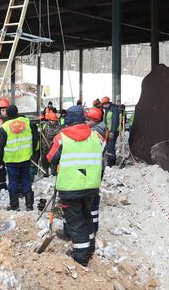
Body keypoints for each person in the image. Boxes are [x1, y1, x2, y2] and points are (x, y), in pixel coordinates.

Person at [46, 105, 103, 267]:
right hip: (91, 186)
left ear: (68, 120)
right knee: (87, 217)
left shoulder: (61, 138)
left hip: (70, 188)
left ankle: (81, 257)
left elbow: (51, 158)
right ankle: (89, 248)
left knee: (76, 222)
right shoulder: (96, 136)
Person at [0, 104, 38, 211]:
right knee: (26, 179)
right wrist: (33, 151)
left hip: (11, 160)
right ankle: (29, 205)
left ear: (7, 114)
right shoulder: (27, 122)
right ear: (17, 112)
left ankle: (15, 206)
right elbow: (35, 137)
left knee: (13, 181)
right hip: (26, 157)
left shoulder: (5, 126)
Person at [39, 109, 61, 177]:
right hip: (45, 145)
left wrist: (53, 142)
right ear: (49, 120)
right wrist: (39, 129)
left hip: (54, 146)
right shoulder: (45, 125)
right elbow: (39, 126)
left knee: (53, 159)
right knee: (44, 159)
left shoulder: (58, 126)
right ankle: (45, 172)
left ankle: (53, 172)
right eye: (52, 120)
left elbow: (59, 136)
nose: (53, 122)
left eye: (55, 121)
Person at [101, 96, 120, 167]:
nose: (104, 105)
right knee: (107, 147)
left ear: (108, 102)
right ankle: (109, 162)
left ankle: (111, 163)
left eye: (105, 103)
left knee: (111, 147)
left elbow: (115, 121)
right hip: (108, 131)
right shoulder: (107, 110)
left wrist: (113, 132)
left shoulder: (114, 109)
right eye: (103, 104)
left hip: (113, 131)